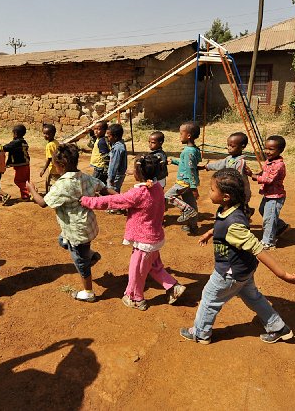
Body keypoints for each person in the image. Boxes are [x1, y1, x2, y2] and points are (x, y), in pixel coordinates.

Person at [179, 168, 295, 345]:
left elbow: (257, 248)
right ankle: (278, 328)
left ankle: (201, 333)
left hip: (229, 273)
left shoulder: (234, 223)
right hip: (243, 270)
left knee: (209, 299)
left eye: (212, 189)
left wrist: (283, 275)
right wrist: (211, 233)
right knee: (253, 297)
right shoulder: (230, 208)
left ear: (226, 196)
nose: (209, 192)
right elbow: (224, 226)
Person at [80, 154, 186, 310]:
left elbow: (112, 201)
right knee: (154, 266)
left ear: (139, 173)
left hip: (144, 242)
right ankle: (173, 287)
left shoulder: (139, 193)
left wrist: (87, 201)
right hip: (154, 237)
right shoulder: (156, 187)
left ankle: (135, 298)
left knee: (136, 271)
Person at [26, 143, 110, 303]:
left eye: (54, 164)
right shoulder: (85, 177)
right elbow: (103, 187)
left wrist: (32, 190)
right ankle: (90, 256)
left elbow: (43, 203)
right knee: (63, 240)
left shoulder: (62, 185)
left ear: (61, 165)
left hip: (76, 231)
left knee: (80, 262)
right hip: (87, 226)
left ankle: (88, 292)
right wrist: (121, 198)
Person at [165, 121, 201, 233]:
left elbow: (190, 169)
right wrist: (174, 161)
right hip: (189, 182)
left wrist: (194, 187)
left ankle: (185, 210)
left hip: (184, 182)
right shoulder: (194, 149)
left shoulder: (187, 152)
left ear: (188, 136)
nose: (180, 136)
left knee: (168, 196)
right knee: (191, 203)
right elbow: (189, 164)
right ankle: (192, 226)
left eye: (181, 134)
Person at [205, 132, 252, 215]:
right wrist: (207, 166)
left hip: (239, 192)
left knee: (241, 208)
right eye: (228, 145)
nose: (229, 148)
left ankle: (245, 216)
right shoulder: (229, 158)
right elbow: (219, 165)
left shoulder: (240, 162)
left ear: (242, 146)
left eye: (232, 146)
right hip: (230, 189)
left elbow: (238, 178)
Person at [0, 124, 31, 200]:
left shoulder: (15, 143)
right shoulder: (24, 142)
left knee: (18, 181)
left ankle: (31, 189)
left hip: (19, 165)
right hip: (25, 164)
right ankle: (24, 196)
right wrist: (5, 165)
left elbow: (5, 148)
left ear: (15, 134)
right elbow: (3, 155)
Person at [256, 135, 289, 249]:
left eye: (271, 149)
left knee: (269, 219)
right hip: (268, 194)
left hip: (275, 196)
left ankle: (268, 242)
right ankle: (281, 226)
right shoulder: (269, 161)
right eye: (266, 148)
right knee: (263, 211)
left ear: (280, 150)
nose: (267, 152)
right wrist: (260, 173)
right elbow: (265, 172)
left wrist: (255, 176)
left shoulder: (279, 165)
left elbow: (269, 179)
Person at [39, 123, 63, 193]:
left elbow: (49, 159)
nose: (45, 136)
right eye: (44, 133)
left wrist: (43, 169)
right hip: (58, 166)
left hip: (53, 168)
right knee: (51, 180)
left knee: (52, 182)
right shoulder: (56, 142)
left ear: (53, 134)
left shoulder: (49, 145)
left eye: (47, 134)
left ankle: (51, 194)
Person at [106, 123, 128, 193]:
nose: (108, 138)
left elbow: (114, 164)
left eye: (109, 136)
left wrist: (111, 178)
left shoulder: (117, 148)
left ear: (115, 137)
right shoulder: (119, 145)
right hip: (118, 175)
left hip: (116, 175)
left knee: (112, 192)